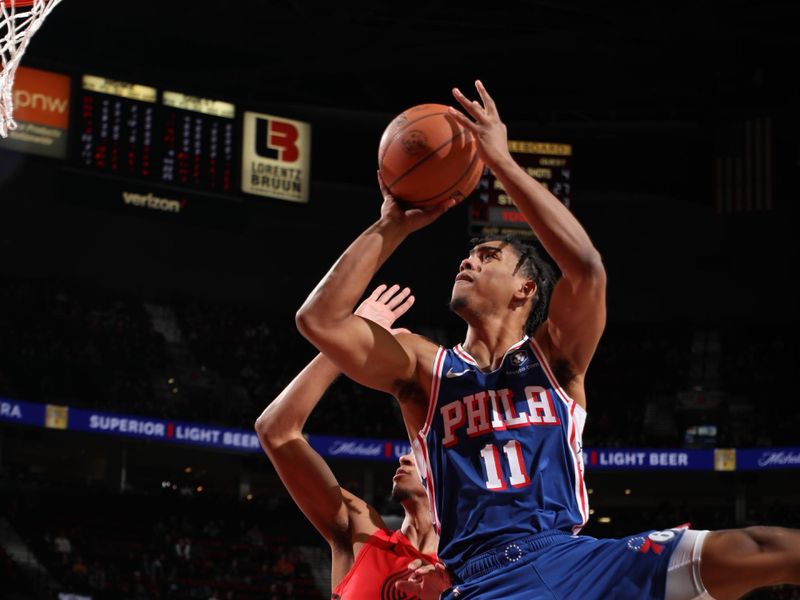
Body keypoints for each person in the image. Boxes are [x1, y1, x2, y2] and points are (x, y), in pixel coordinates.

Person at [295, 79, 800, 600]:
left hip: (575, 558)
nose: (468, 260)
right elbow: (320, 321)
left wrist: (503, 162)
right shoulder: (424, 368)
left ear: (526, 288)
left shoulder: (555, 358)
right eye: (467, 256)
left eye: (488, 256)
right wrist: (392, 225)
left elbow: (585, 269)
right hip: (481, 577)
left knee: (758, 548)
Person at [255, 283, 450, 600]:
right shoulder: (360, 532)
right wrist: (340, 349)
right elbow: (275, 431)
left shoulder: (473, 568)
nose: (403, 458)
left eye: (416, 453)